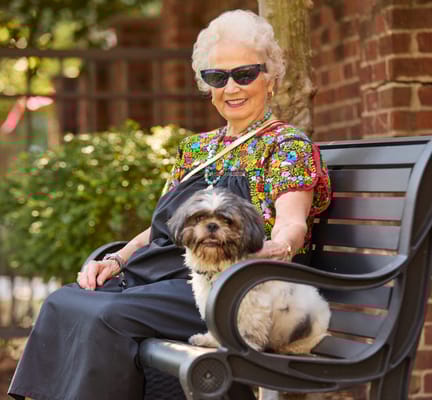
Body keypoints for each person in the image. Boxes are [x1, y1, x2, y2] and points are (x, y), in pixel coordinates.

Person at [8, 9, 331, 400]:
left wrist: (271, 249)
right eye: (217, 77)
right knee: (64, 302)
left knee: (109, 316)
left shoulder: (286, 147)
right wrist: (117, 260)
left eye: (245, 74)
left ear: (271, 79)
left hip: (229, 287)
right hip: (165, 272)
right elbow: (157, 229)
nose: (232, 88)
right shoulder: (195, 150)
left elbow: (291, 226)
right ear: (206, 86)